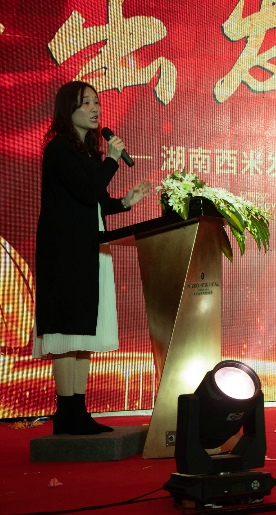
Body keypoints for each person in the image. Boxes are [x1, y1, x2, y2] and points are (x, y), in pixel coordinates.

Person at [33, 81, 152, 434]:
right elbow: (86, 193)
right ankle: (65, 412)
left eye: (97, 102)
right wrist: (113, 159)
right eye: (86, 103)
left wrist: (123, 203)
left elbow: (94, 202)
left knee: (84, 331)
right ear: (67, 109)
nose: (95, 109)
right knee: (67, 331)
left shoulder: (87, 154)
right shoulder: (58, 150)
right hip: (65, 254)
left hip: (90, 248)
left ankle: (78, 411)